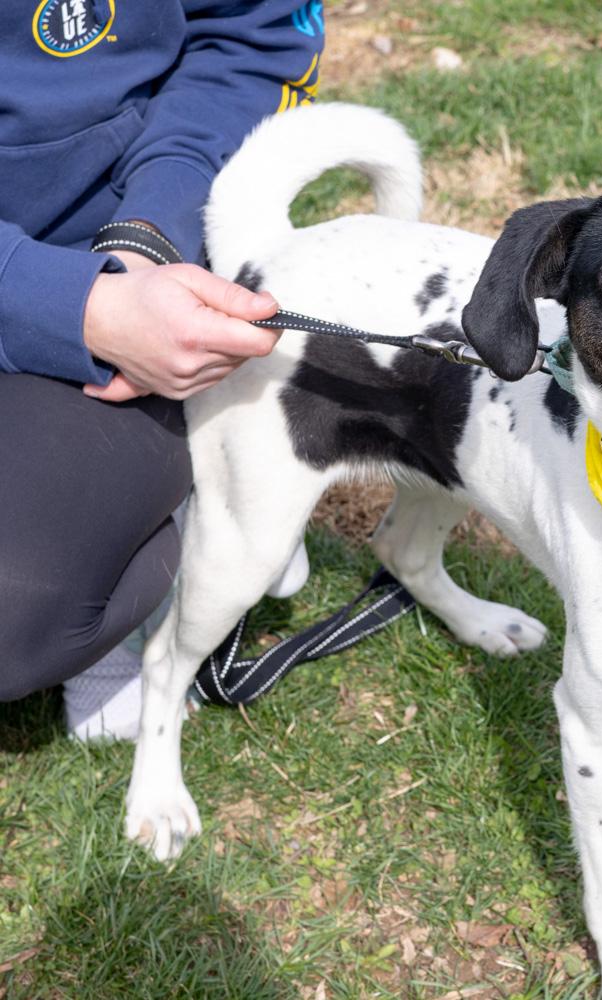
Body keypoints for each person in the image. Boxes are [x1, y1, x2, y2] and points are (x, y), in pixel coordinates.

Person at [0, 0, 326, 738]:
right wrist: (64, 308)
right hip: (72, 296)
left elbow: (251, 38)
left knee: (10, 607)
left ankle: (169, 514)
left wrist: (147, 239)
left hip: (107, 259)